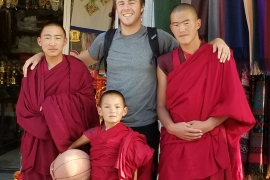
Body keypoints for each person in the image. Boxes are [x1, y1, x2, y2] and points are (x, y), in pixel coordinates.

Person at [22, 0, 231, 178]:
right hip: (112, 126)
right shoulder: (107, 39)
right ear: (116, 7)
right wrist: (43, 55)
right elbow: (75, 63)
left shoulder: (157, 38)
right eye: (121, 2)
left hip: (145, 126)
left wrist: (216, 42)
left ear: (142, 7)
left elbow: (190, 49)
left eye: (132, 2)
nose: (126, 7)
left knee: (144, 175)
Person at [156, 3, 256, 180]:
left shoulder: (219, 54)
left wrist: (209, 124)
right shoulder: (164, 62)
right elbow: (161, 105)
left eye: (186, 23)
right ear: (171, 27)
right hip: (175, 140)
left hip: (210, 138)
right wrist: (171, 127)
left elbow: (231, 101)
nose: (182, 29)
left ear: (198, 23)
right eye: (176, 25)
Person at [16, 21, 100, 180]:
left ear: (65, 41)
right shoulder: (32, 71)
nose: (52, 43)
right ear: (39, 41)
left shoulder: (77, 68)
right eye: (47, 38)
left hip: (68, 142)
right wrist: (54, 121)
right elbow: (23, 110)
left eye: (57, 38)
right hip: (37, 143)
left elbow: (88, 105)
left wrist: (50, 107)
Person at [67, 90, 154, 180]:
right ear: (100, 110)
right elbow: (73, 146)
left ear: (124, 111)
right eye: (107, 107)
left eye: (117, 107)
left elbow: (136, 162)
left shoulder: (130, 137)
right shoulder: (94, 133)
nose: (112, 111)